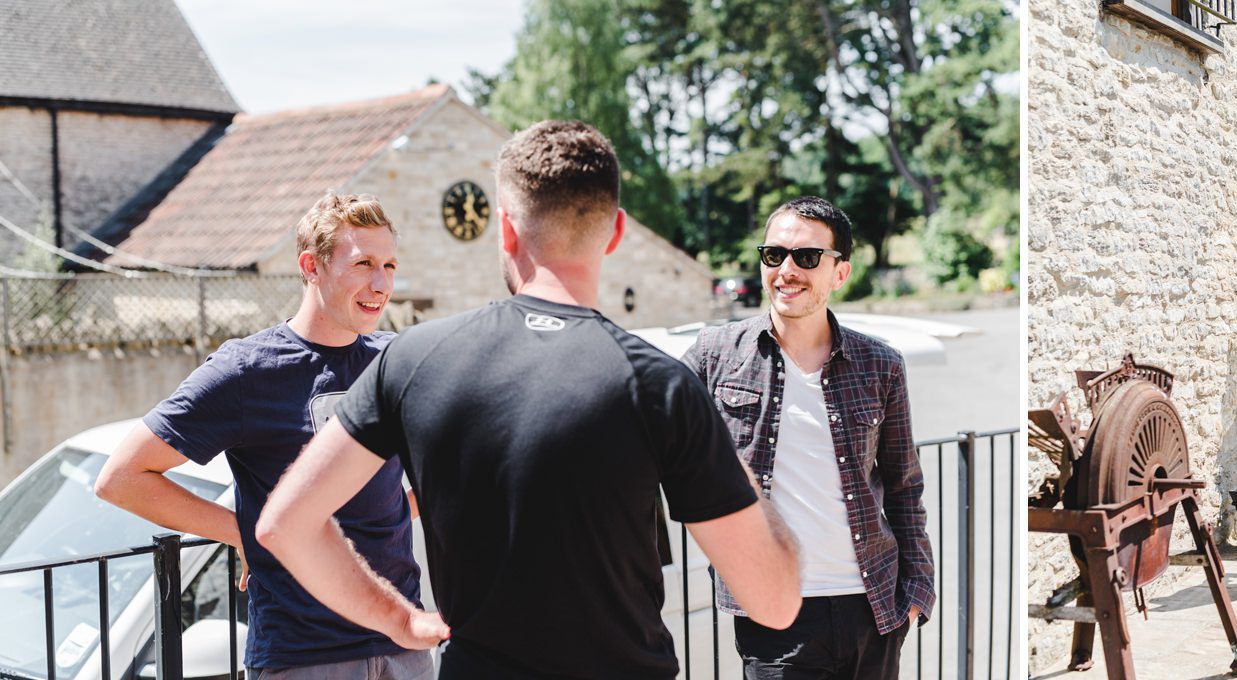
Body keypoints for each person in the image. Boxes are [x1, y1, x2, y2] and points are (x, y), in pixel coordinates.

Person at [255, 120, 802, 679]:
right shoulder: (659, 386)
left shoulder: (415, 357)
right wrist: (723, 453)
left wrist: (397, 620)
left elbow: (284, 523)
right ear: (615, 232)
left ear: (507, 231)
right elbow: (776, 603)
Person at [94, 194, 429, 679]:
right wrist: (244, 536)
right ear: (311, 266)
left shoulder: (394, 360)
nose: (381, 284)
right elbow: (122, 477)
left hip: (404, 644)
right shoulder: (248, 370)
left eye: (390, 265)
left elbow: (450, 467)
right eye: (363, 264)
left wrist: (401, 509)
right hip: (304, 652)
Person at [683, 196, 932, 679]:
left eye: (807, 257)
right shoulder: (715, 355)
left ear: (840, 273)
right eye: (774, 255)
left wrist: (917, 591)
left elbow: (904, 485)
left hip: (874, 608)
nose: (787, 270)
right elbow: (654, 434)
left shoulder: (880, 364)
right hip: (775, 612)